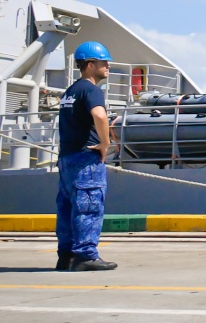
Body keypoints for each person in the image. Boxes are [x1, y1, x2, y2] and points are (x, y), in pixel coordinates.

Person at [56, 41, 117, 272]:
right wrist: (104, 143)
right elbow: (99, 115)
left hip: (67, 159)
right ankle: (85, 255)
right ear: (90, 65)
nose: (108, 65)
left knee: (67, 208)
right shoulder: (91, 90)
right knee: (89, 206)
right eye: (104, 62)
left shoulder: (70, 91)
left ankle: (66, 256)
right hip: (85, 160)